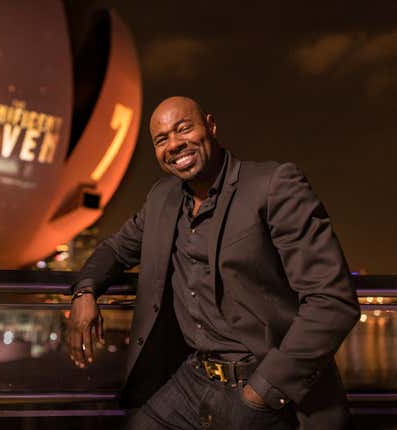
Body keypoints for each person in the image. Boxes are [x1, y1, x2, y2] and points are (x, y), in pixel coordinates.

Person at [66, 96, 360, 429]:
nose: (174, 144)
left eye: (183, 129)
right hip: (195, 377)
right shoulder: (162, 198)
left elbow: (332, 301)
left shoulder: (274, 185)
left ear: (211, 126)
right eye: (162, 140)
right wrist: (85, 291)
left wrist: (261, 392)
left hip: (268, 385)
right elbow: (116, 249)